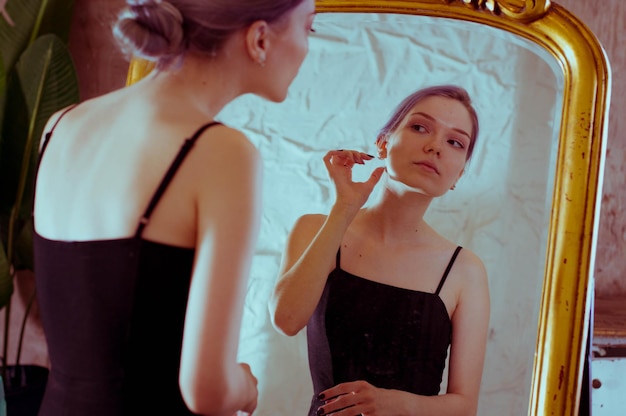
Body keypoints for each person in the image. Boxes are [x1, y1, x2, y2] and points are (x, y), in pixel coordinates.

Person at [32, 0, 316, 415]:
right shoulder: (221, 151)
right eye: (309, 28)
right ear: (259, 38)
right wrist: (245, 386)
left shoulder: (62, 123)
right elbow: (208, 392)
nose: (308, 46)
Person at [270, 85, 490, 416]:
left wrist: (393, 402)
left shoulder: (465, 271)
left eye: (455, 142)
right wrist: (344, 208)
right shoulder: (316, 228)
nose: (434, 147)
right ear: (384, 142)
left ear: (458, 174)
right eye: (419, 127)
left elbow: (464, 405)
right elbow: (286, 319)